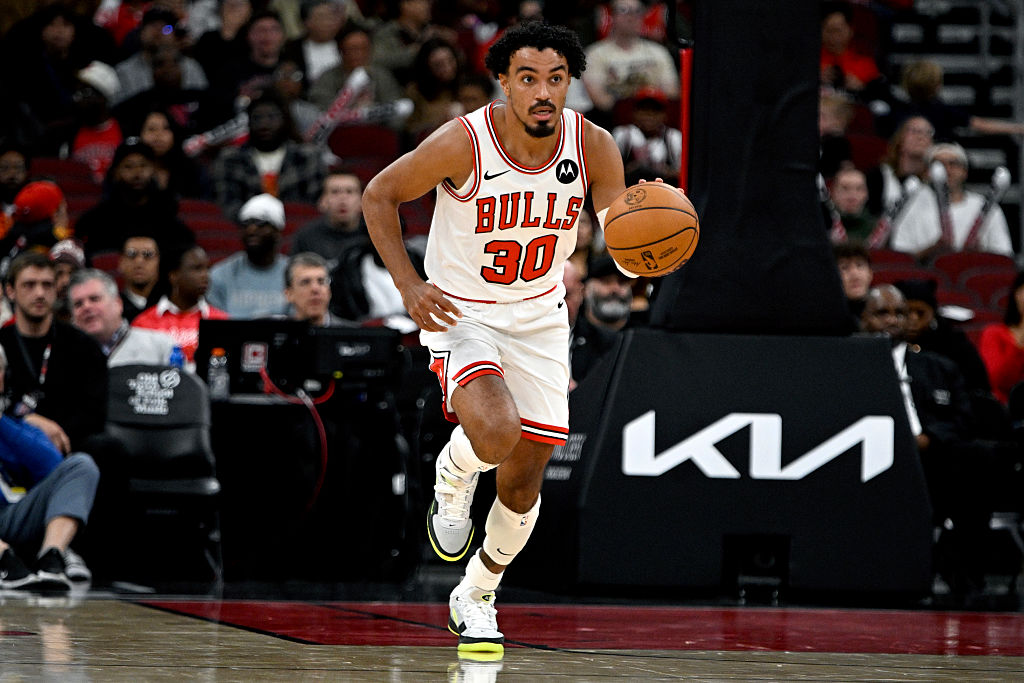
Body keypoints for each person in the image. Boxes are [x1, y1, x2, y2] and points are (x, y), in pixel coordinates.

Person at [363, 21, 632, 653]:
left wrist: (650, 245)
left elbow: (622, 243)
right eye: (529, 78)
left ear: (571, 83)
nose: (544, 92)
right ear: (504, 83)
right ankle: (452, 476)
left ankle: (476, 593)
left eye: (557, 79)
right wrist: (407, 285)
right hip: (465, 314)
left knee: (525, 475)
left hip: (539, 317)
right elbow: (380, 196)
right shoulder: (465, 142)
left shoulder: (595, 148)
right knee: (494, 433)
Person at [861, 284, 1021, 597]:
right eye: (882, 313)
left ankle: (962, 572)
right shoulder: (845, 365)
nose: (893, 320)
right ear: (863, 319)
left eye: (900, 313)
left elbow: (962, 419)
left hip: (932, 459)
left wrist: (928, 438)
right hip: (867, 454)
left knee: (982, 459)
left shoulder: (938, 367)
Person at [0, 343, 100, 592]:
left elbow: (53, 467)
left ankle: (52, 556)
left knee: (81, 465)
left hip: (12, 516)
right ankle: (3, 560)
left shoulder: (13, 425)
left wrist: (4, 421)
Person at [0, 252, 108, 455]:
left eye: (47, 285)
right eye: (29, 285)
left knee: (108, 448)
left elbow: (94, 413)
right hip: (9, 442)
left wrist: (53, 433)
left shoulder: (84, 346)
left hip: (68, 442)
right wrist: (26, 423)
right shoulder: (2, 343)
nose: (40, 293)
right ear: (10, 291)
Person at [210, 91, 325, 220]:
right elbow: (228, 204)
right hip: (247, 230)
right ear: (248, 123)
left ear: (284, 120)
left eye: (272, 117)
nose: (264, 124)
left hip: (297, 227)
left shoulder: (307, 156)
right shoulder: (230, 159)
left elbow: (313, 204)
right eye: (257, 118)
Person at [73, 138, 195, 259]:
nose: (137, 173)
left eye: (143, 165)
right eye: (128, 166)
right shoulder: (97, 220)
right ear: (116, 172)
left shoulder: (166, 215)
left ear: (153, 170)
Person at [891, 142, 1014, 260]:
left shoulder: (987, 207)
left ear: (964, 171)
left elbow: (1003, 256)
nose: (947, 170)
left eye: (953, 164)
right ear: (927, 172)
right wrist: (931, 251)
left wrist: (978, 254)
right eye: (939, 164)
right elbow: (901, 259)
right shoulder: (911, 208)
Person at [582, 0, 679, 126]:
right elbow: (600, 99)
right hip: (613, 121)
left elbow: (671, 93)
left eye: (637, 11)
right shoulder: (595, 54)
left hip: (654, 119)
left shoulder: (659, 52)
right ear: (612, 16)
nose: (631, 17)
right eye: (624, 10)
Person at [132, 243, 229, 365]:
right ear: (174, 276)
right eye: (197, 269)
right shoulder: (144, 323)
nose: (205, 275)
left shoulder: (221, 320)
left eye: (207, 268)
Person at [895, 278, 992, 396]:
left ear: (933, 314)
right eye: (906, 313)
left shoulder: (954, 342)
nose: (913, 320)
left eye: (920, 313)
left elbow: (979, 387)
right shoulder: (886, 341)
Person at [70, 269, 177, 367]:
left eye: (94, 299)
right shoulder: (63, 357)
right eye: (78, 304)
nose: (86, 307)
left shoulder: (160, 346)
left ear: (118, 304)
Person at [207, 193, 290, 318]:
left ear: (277, 231)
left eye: (260, 223)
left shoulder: (295, 274)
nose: (251, 230)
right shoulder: (220, 274)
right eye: (246, 224)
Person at [569, 254, 634, 388]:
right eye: (606, 282)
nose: (615, 289)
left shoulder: (641, 335)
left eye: (622, 282)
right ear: (585, 290)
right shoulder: (568, 334)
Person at [292, 170, 367, 264]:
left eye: (349, 191)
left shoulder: (373, 237)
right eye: (335, 192)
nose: (342, 199)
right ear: (322, 201)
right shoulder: (305, 237)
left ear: (362, 201)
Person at [611, 87, 682, 187]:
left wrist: (664, 171)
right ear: (634, 113)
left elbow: (683, 175)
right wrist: (630, 170)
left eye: (655, 111)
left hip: (663, 193)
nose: (649, 115)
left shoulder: (673, 137)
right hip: (630, 193)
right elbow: (609, 172)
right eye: (644, 110)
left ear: (664, 115)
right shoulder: (623, 135)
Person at [819, 2, 883, 100]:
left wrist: (862, 89)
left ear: (850, 30)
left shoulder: (866, 65)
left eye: (838, 30)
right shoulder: (811, 63)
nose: (834, 38)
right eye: (829, 31)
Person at [978, 271, 1024, 405]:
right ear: (1016, 295)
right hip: (1004, 409)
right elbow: (996, 380)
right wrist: (1020, 341)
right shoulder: (994, 333)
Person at [284, 251, 347, 326]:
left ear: (329, 291)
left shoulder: (353, 335)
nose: (315, 289)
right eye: (305, 282)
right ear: (289, 294)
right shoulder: (278, 335)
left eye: (321, 281)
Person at [118, 234, 162, 321]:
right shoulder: (112, 308)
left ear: (159, 262)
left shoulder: (171, 305)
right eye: (131, 255)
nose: (139, 262)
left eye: (148, 255)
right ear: (121, 263)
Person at [828, 166, 877, 243]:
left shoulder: (878, 228)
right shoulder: (821, 227)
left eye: (859, 189)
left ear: (866, 194)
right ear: (833, 193)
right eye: (845, 188)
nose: (852, 196)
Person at [833, 241, 873, 321]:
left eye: (859, 265)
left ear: (870, 274)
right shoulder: (827, 316)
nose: (855, 274)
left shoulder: (885, 310)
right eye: (844, 267)